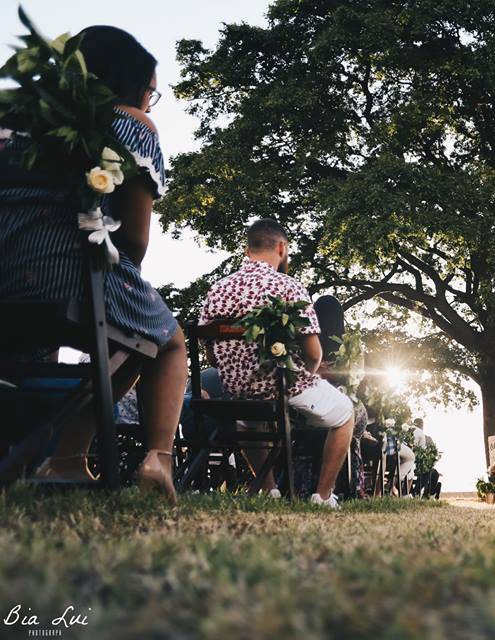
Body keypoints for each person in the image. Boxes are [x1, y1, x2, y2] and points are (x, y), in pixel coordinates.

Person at [0, 26, 185, 502]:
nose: (149, 103)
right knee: (162, 342)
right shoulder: (129, 124)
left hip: (5, 277)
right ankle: (158, 460)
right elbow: (137, 243)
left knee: (125, 337)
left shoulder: (14, 115)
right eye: (151, 93)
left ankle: (67, 459)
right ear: (129, 85)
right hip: (77, 279)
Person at [200, 219, 354, 508]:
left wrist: (239, 373)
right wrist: (306, 377)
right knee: (346, 413)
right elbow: (314, 354)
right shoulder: (288, 287)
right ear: (282, 248)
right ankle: (322, 496)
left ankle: (268, 489)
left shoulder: (217, 291)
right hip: (283, 384)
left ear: (247, 250)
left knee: (248, 422)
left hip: (238, 390)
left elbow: (212, 357)